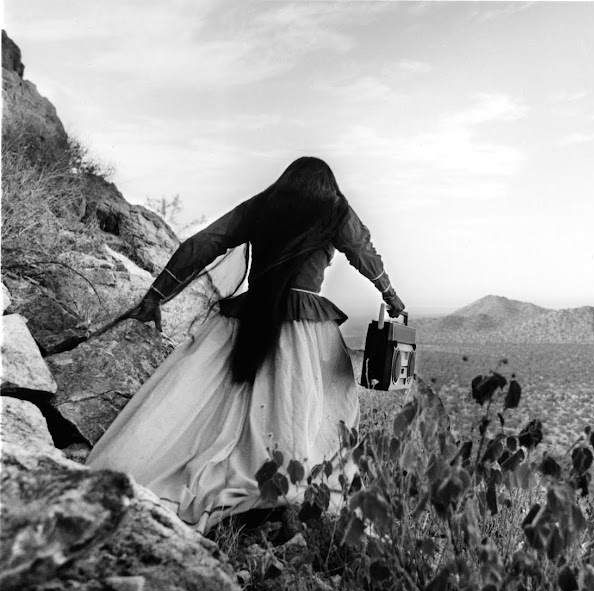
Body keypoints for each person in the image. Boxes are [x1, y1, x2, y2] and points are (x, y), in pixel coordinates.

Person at [86, 157, 404, 533]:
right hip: (305, 328)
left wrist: (157, 295)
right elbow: (363, 251)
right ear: (328, 186)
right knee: (317, 405)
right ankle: (288, 483)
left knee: (212, 402)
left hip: (247, 318)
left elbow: (204, 244)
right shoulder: (334, 209)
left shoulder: (265, 204)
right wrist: (391, 295)